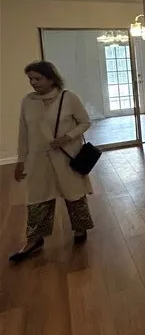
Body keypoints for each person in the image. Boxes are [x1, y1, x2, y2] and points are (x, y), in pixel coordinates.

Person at [10, 61, 95, 263]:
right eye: (30, 79)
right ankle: (34, 240)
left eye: (37, 78)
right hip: (38, 159)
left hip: (66, 156)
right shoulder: (28, 101)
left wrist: (67, 137)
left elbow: (85, 122)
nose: (33, 82)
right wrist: (20, 161)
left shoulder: (69, 98)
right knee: (37, 199)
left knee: (74, 194)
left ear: (51, 78)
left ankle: (80, 228)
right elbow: (24, 134)